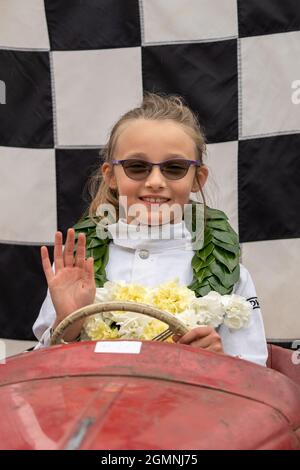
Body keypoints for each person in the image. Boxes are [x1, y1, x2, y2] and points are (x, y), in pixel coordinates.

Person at [33, 93, 268, 366]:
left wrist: (218, 360)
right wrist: (69, 321)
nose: (155, 181)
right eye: (137, 167)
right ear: (110, 176)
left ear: (197, 179)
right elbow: (42, 373)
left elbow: (254, 372)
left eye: (175, 168)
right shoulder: (76, 268)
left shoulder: (230, 273)